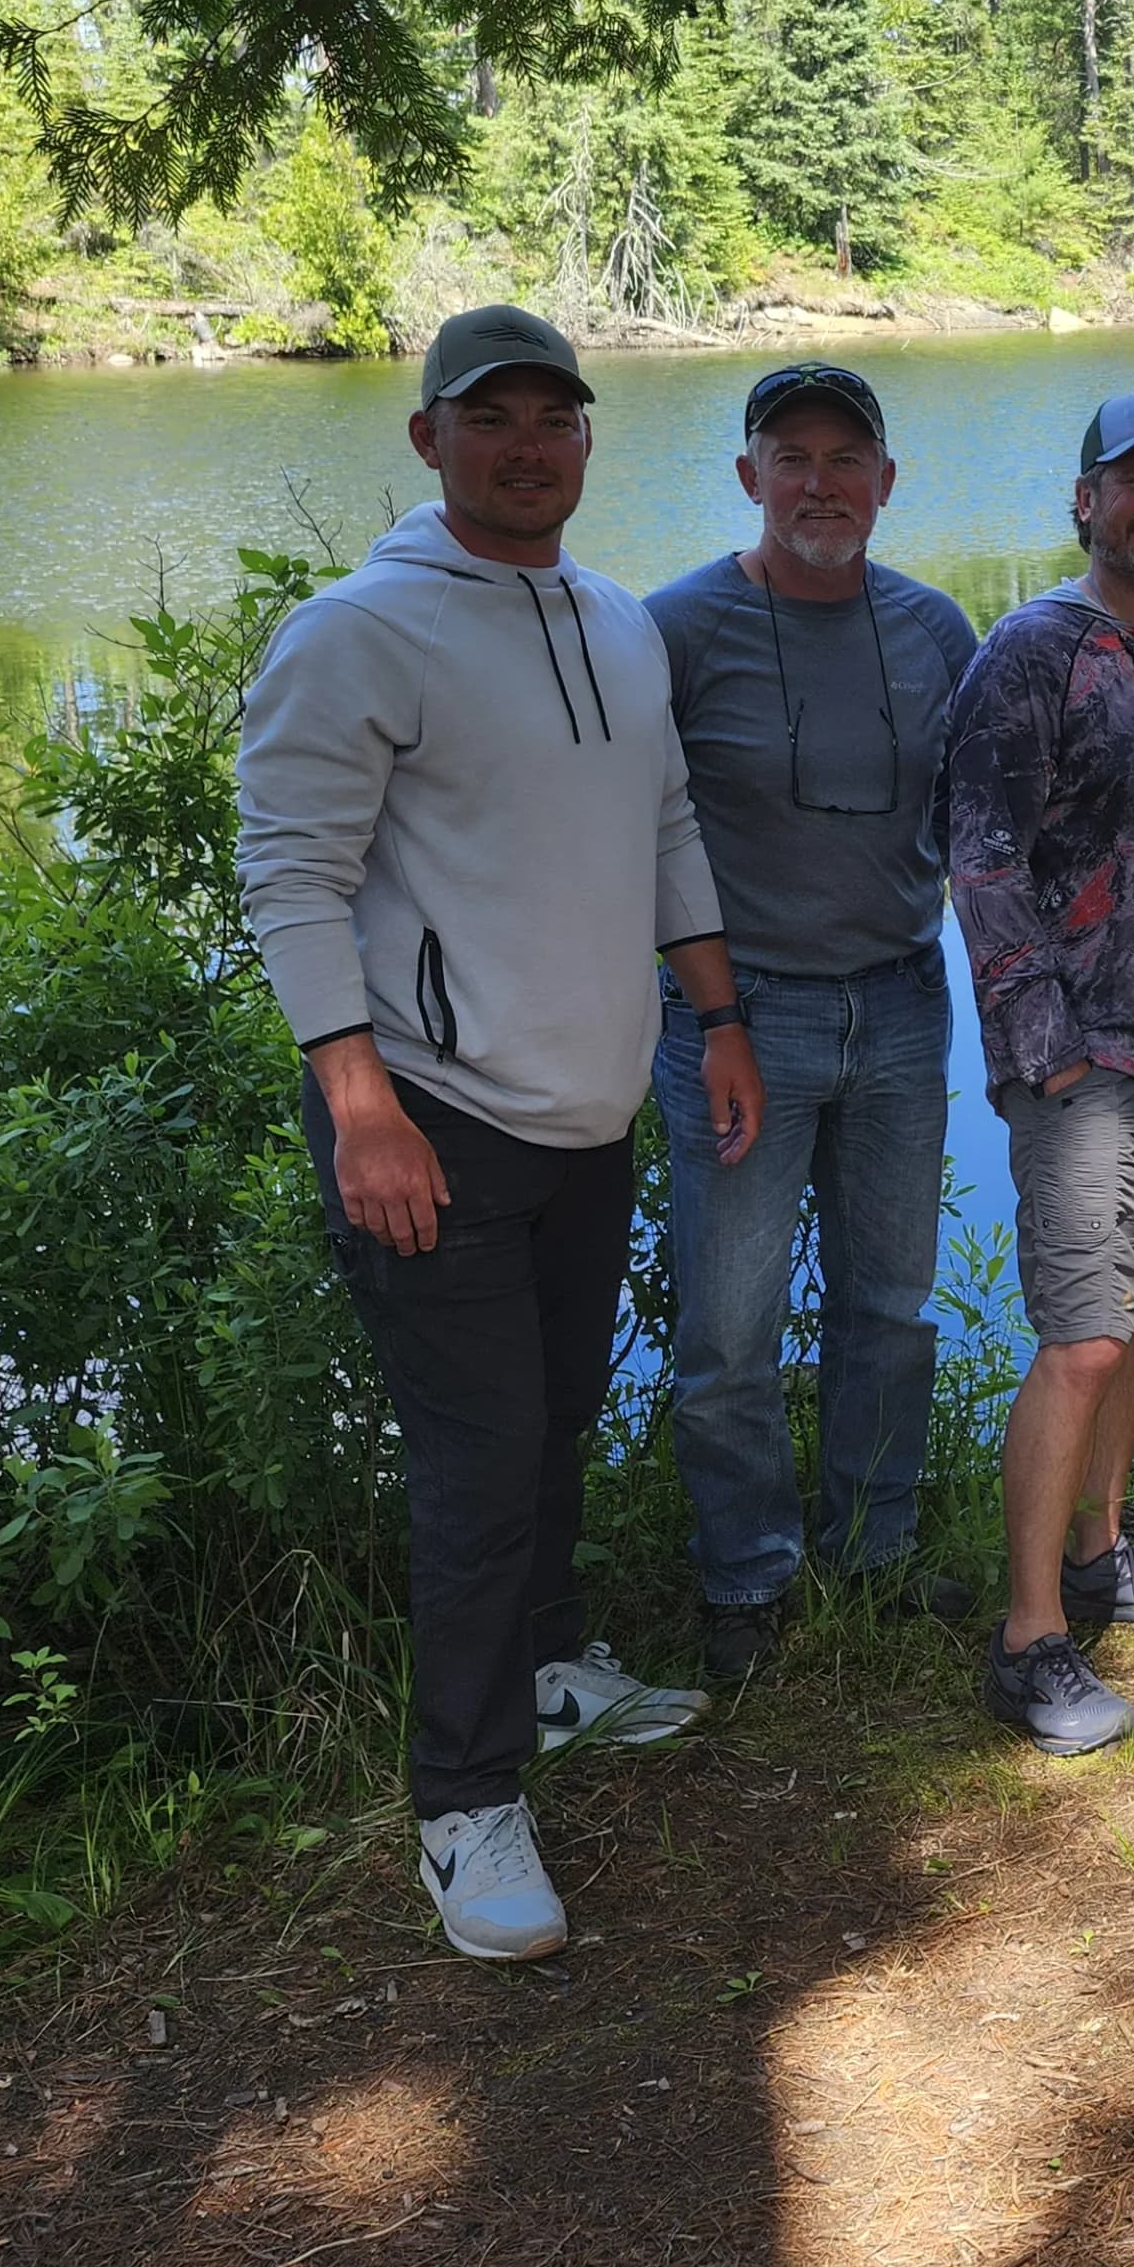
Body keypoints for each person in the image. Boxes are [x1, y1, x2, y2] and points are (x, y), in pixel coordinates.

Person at [238, 304, 763, 1964]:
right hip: (430, 1127)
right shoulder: (358, 634)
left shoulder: (612, 620)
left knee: (550, 1426)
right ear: (430, 440)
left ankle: (550, 1671)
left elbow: (667, 816)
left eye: (558, 418)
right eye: (494, 419)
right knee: (474, 1474)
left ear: (588, 440)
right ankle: (465, 1805)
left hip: (586, 1114)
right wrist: (359, 1107)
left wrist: (720, 1014)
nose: (530, 445)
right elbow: (292, 876)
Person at [645, 365, 978, 1689]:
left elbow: (986, 820)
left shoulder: (939, 629)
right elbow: (646, 837)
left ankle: (873, 1550)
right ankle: (746, 1579)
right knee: (728, 1328)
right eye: (793, 456)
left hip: (901, 1000)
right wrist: (711, 1009)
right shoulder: (676, 630)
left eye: (850, 458)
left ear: (889, 483)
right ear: (750, 478)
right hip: (742, 1022)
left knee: (887, 1307)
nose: (822, 482)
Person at [942, 390, 1134, 1755]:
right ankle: (1028, 1638)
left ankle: (1100, 1555)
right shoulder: (1030, 653)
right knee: (1079, 1334)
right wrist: (1042, 1054)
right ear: (1085, 501)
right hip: (1081, 1062)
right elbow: (983, 858)